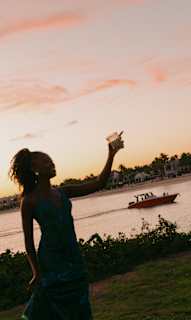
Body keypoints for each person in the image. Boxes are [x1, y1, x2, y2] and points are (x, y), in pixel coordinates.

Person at [9, 134, 124, 320]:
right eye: (46, 162)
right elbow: (28, 243)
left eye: (51, 161)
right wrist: (36, 271)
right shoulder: (29, 201)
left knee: (80, 305)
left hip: (73, 257)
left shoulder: (63, 192)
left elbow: (99, 183)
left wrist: (111, 155)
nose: (51, 164)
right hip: (51, 262)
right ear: (34, 169)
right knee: (48, 306)